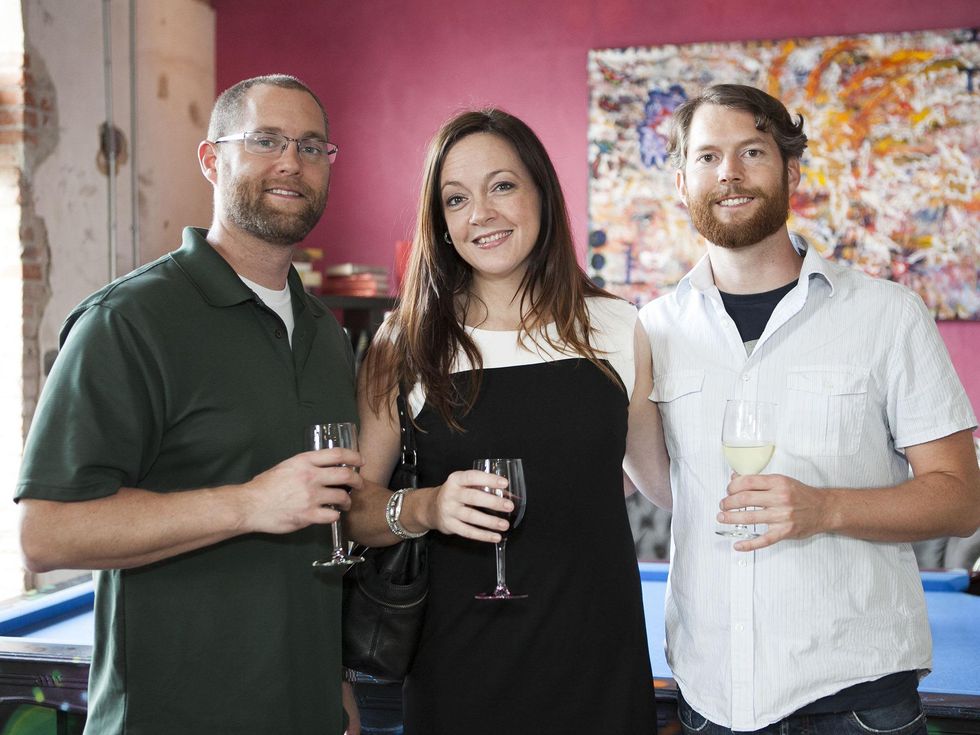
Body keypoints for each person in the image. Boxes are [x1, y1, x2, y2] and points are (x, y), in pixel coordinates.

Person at [16, 74, 360, 734]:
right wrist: (249, 502)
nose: (291, 162)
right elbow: (45, 533)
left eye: (312, 146)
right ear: (211, 159)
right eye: (266, 140)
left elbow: (323, 533)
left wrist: (334, 679)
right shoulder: (128, 320)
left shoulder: (326, 335)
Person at [638, 83, 980, 734]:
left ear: (791, 171)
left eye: (751, 151)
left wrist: (825, 508)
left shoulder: (888, 315)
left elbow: (962, 499)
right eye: (708, 157)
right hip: (710, 699)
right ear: (682, 183)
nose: (729, 172)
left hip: (859, 701)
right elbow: (668, 489)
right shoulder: (651, 330)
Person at [346, 109, 670, 735]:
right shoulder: (403, 341)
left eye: (502, 186)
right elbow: (356, 509)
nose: (481, 214)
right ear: (441, 224)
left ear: (541, 193)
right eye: (456, 199)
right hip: (459, 665)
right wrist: (428, 506)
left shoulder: (616, 326)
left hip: (600, 658)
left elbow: (660, 482)